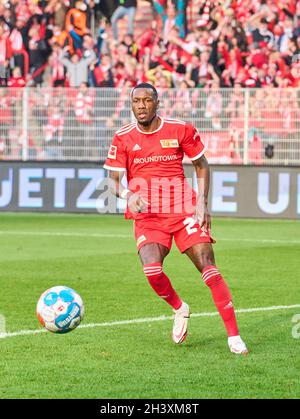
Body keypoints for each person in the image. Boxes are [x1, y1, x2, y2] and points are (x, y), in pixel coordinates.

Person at [104, 83, 248, 355]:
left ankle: (234, 336)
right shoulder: (122, 136)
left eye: (148, 100)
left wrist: (203, 203)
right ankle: (180, 307)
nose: (142, 105)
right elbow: (112, 180)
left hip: (183, 208)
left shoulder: (180, 129)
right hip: (148, 214)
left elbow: (201, 164)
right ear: (131, 104)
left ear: (157, 103)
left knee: (209, 268)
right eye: (137, 101)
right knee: (152, 270)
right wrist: (126, 194)